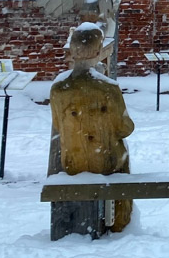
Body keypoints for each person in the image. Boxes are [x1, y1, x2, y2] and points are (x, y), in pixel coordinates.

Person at [50, 24, 135, 233]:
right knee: (122, 157)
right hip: (108, 162)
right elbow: (125, 128)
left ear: (72, 51)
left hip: (73, 162)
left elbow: (58, 125)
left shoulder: (59, 89)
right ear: (98, 52)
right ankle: (119, 223)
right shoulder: (108, 88)